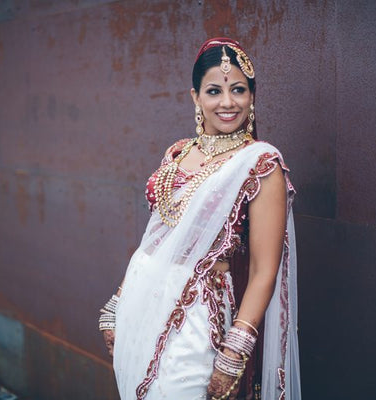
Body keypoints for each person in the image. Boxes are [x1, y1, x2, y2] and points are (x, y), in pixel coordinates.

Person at [99, 38, 301, 400]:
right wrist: (117, 303)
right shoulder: (177, 155)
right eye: (214, 91)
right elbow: (156, 242)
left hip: (198, 319)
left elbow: (263, 271)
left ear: (252, 96)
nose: (227, 102)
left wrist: (234, 350)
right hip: (141, 308)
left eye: (238, 89)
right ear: (196, 98)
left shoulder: (260, 164)